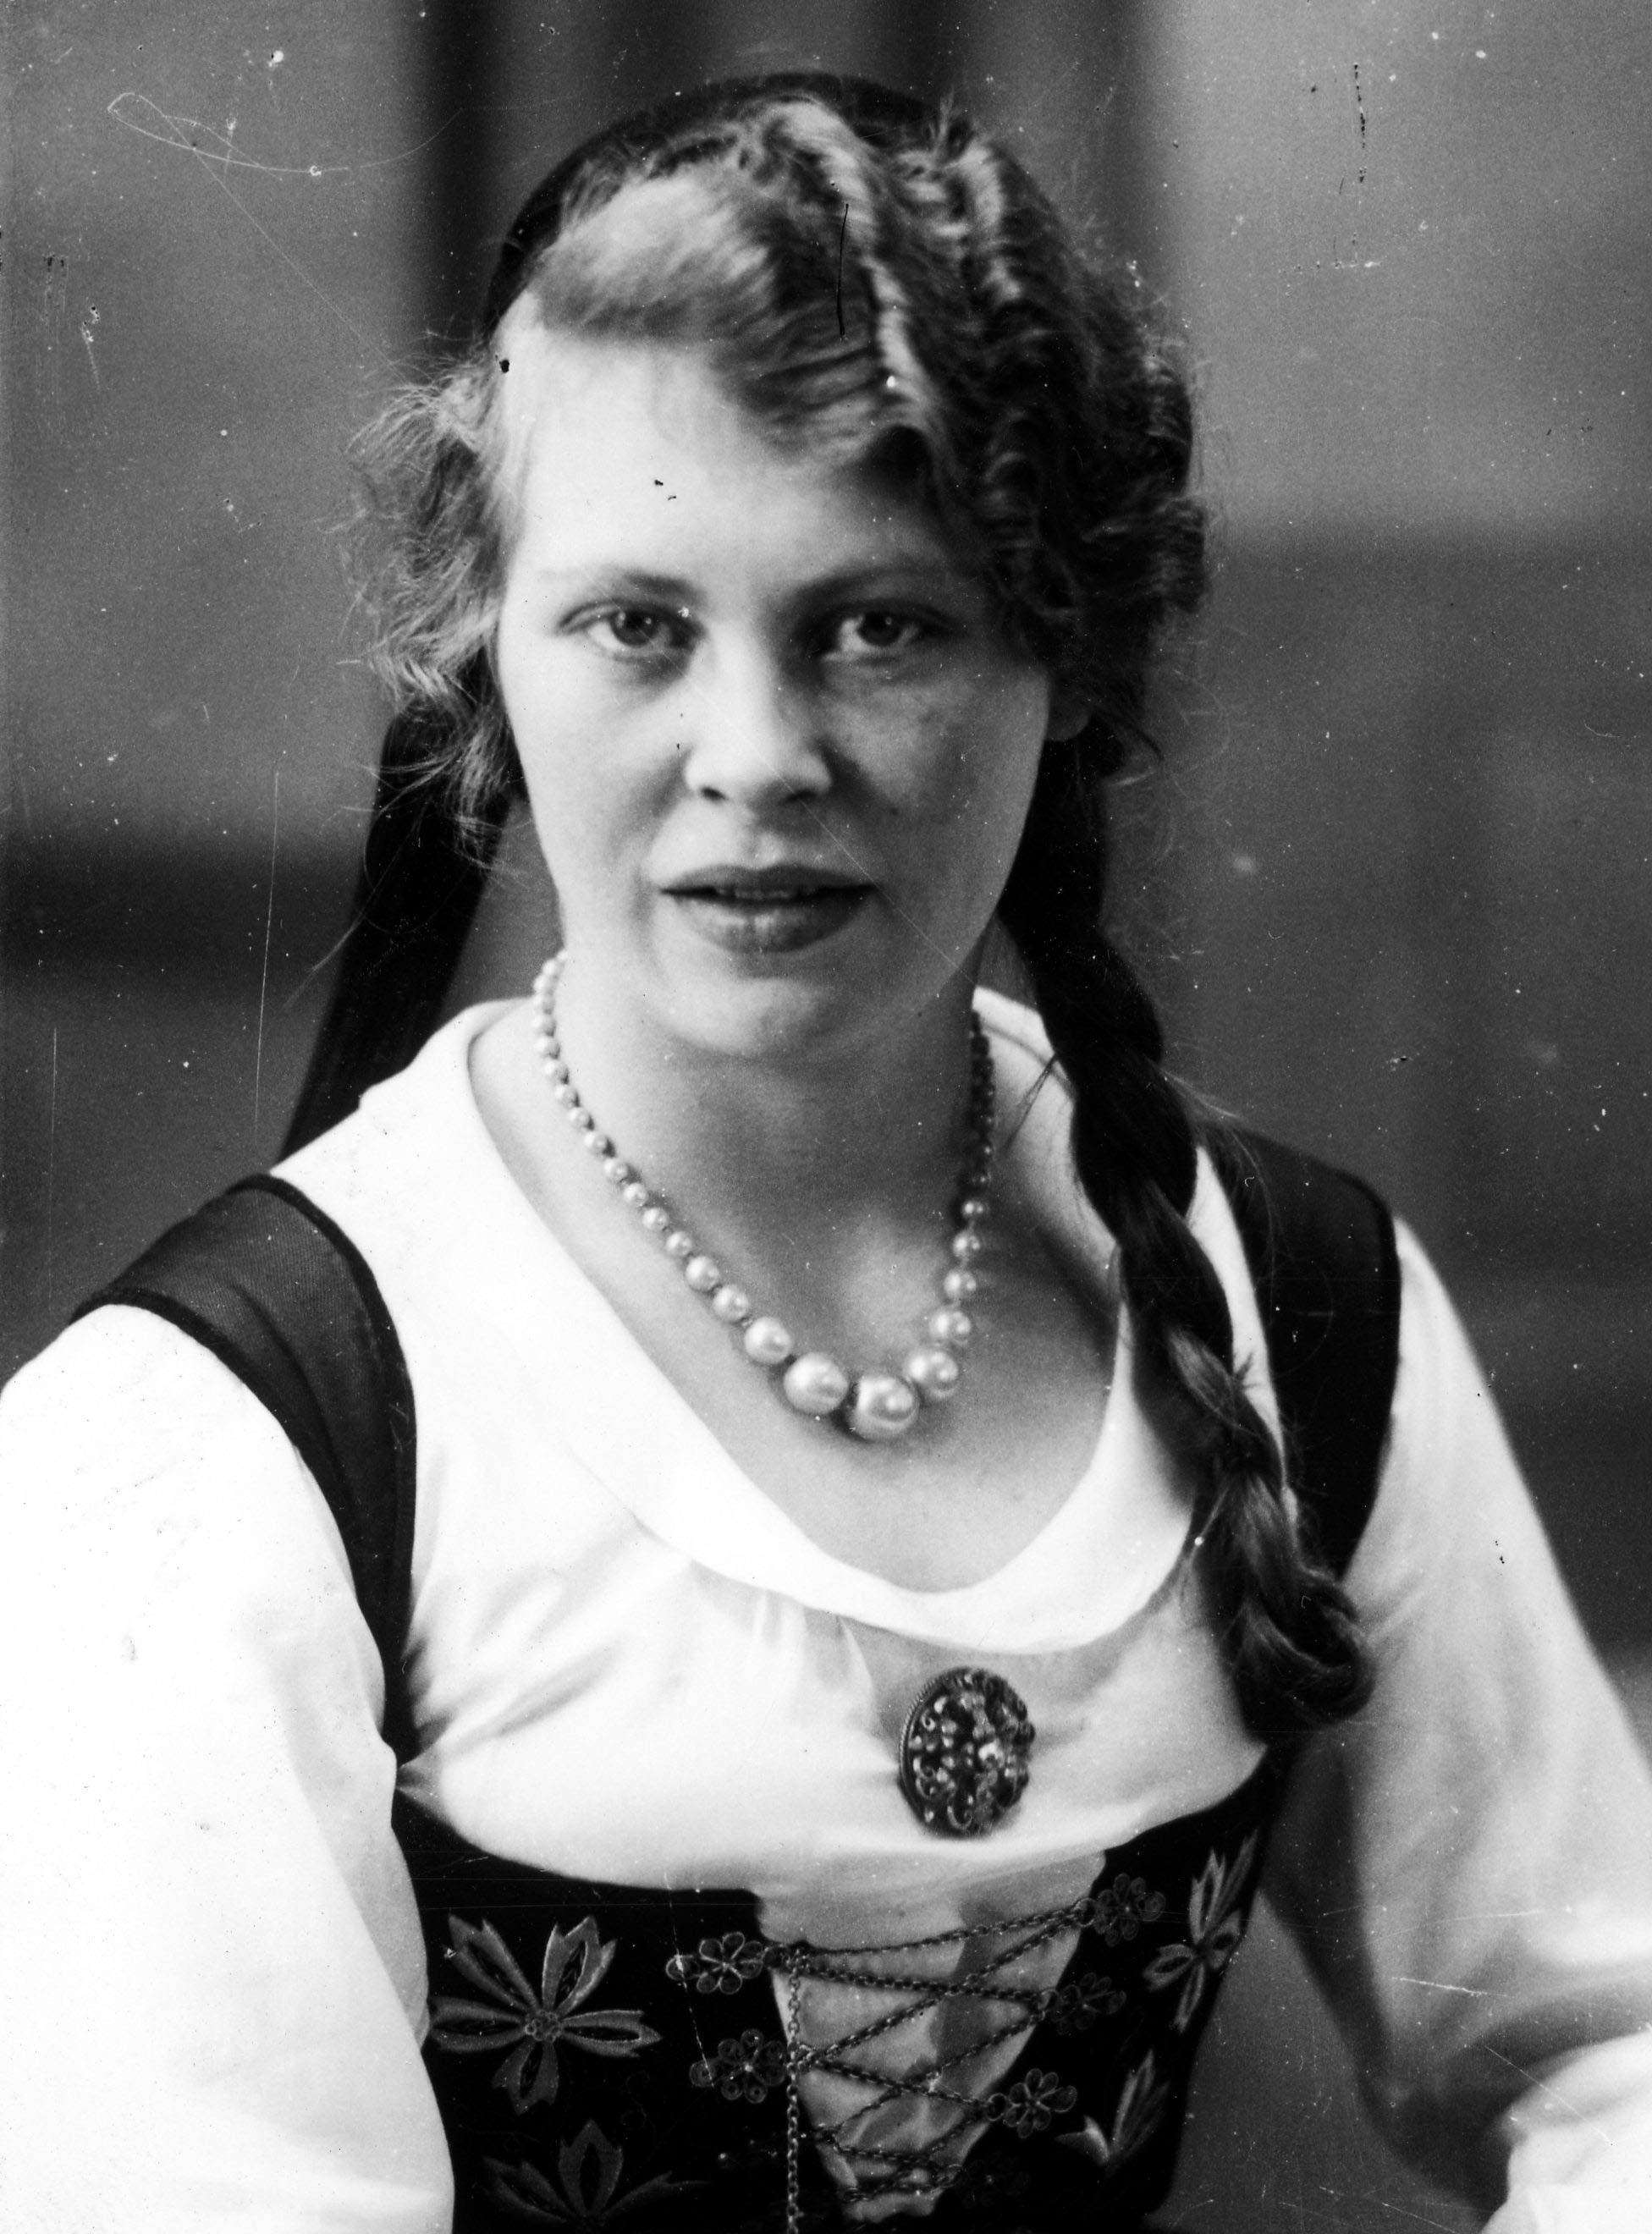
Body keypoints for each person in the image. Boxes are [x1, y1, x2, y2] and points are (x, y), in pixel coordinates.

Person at [3, 70, 1651, 2234]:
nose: (755, 757)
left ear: (1066, 662)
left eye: (880, 624)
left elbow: (1608, 2041)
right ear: (485, 658)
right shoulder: (217, 1447)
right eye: (637, 625)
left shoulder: (1294, 1300)